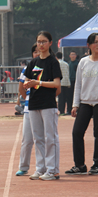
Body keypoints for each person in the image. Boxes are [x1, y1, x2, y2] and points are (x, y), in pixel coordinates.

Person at [65, 33, 98, 176]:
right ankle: (80, 165)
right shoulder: (83, 62)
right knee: (77, 132)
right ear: (89, 45)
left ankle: (97, 164)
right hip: (85, 102)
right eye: (95, 42)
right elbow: (78, 85)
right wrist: (75, 105)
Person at [22, 31, 62, 181]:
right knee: (38, 138)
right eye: (38, 41)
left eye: (44, 41)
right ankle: (41, 168)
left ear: (50, 43)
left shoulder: (53, 62)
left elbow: (56, 84)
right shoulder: (32, 62)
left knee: (50, 137)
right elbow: (26, 81)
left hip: (48, 104)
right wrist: (27, 84)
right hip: (33, 103)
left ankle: (53, 170)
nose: (41, 44)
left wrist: (38, 82)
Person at [15, 43, 39, 176]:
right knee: (27, 139)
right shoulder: (27, 69)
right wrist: (27, 100)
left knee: (42, 139)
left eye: (39, 51)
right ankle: (23, 166)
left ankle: (45, 166)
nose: (37, 53)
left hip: (44, 107)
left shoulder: (48, 67)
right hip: (29, 108)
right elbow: (20, 88)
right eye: (34, 52)